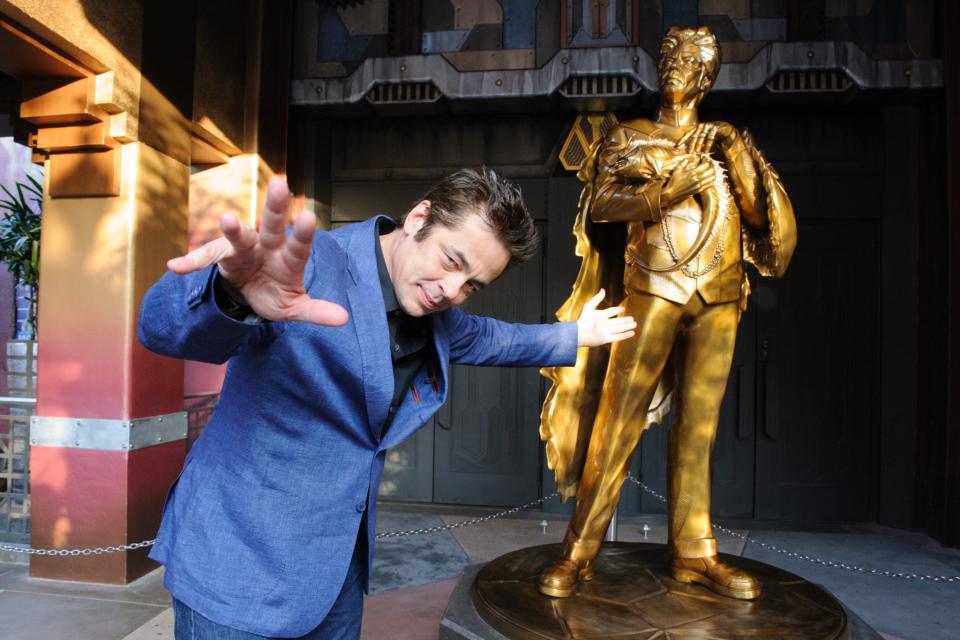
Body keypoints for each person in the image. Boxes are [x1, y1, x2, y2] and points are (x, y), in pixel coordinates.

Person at [138, 167, 636, 639]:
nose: (451, 292)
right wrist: (230, 295)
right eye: (451, 261)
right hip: (239, 564)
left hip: (337, 574)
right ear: (419, 218)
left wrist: (577, 334)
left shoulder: (439, 315)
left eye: (472, 286)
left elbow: (495, 339)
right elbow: (160, 329)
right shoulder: (307, 263)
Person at [537, 26, 796, 600]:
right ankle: (577, 553)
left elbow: (758, 215)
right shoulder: (631, 134)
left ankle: (695, 554)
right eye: (670, 56)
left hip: (721, 293)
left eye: (690, 60)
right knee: (618, 418)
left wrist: (731, 148)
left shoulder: (726, 140)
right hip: (653, 284)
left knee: (698, 429)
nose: (677, 66)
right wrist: (669, 188)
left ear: (707, 76)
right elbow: (602, 203)